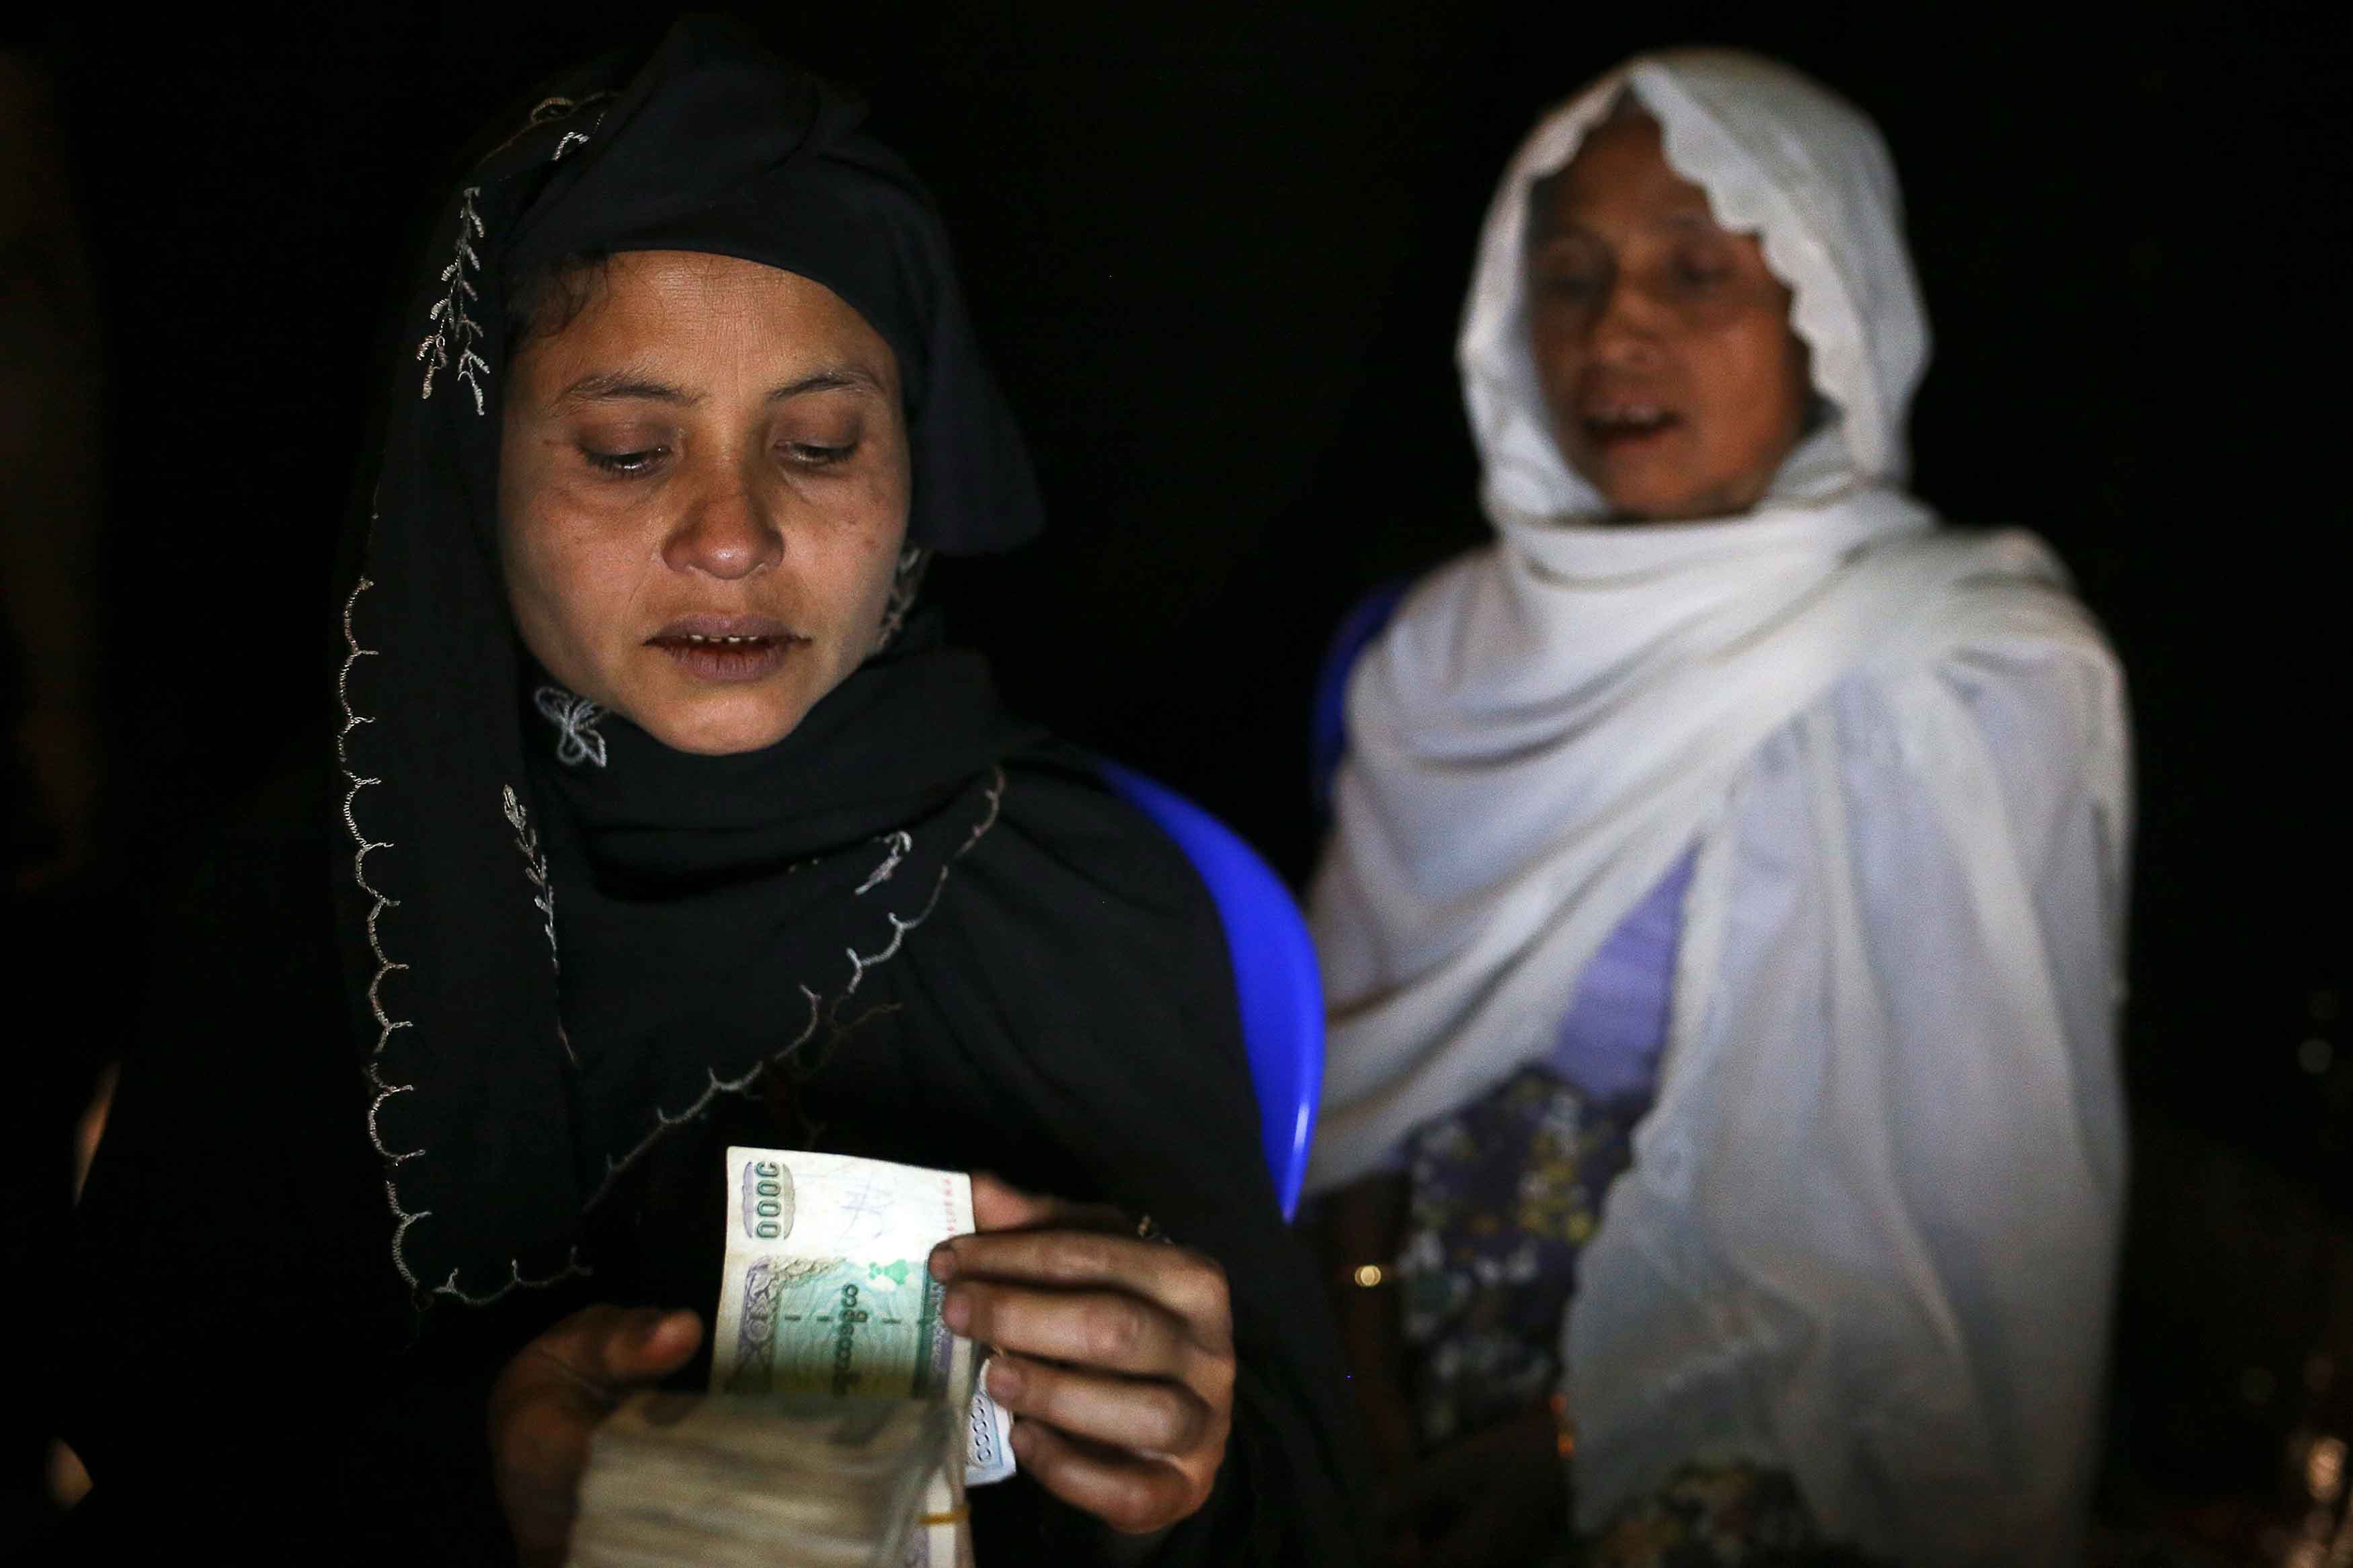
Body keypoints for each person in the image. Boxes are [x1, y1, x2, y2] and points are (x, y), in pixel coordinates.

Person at [58, 21, 1366, 1567]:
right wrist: (478, 1483)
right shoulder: (304, 899)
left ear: (909, 466)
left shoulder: (1078, 901)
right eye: (626, 451)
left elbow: (1304, 1515)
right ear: (474, 468)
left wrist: (1174, 1466)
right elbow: (156, 1472)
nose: (731, 535)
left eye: (816, 443)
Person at [1306, 49, 2130, 1568]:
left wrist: (1588, 1438)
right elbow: (1338, 1093)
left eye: (1696, 272)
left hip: (1786, 1416)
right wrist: (1359, 1402)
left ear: (1832, 311)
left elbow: (1969, 1211)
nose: (1615, 328)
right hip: (1409, 1356)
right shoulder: (1443, 653)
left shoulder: (1962, 666)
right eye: (1569, 276)